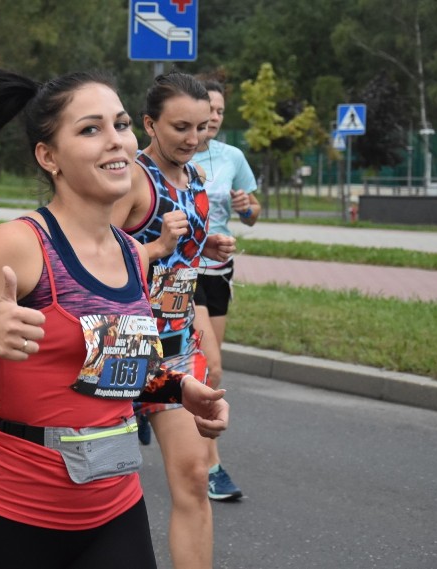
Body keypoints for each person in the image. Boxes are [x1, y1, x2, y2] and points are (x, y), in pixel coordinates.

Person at [0, 64, 229, 569]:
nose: (116, 141)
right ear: (48, 157)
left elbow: (109, 370)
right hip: (13, 518)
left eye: (120, 124)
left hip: (115, 511)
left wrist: (179, 389)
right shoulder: (21, 245)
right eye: (90, 129)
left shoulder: (133, 253)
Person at [110, 70, 236, 569]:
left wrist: (206, 247)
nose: (193, 139)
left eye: (202, 127)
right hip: (122, 344)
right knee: (98, 493)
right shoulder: (131, 180)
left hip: (178, 347)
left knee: (192, 481)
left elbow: (181, 258)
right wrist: (158, 246)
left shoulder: (197, 177)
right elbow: (91, 262)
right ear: (149, 123)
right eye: (181, 127)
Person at [191, 78, 260, 502]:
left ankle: (147, 401)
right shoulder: (168, 154)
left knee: (206, 362)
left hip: (220, 271)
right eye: (207, 110)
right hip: (183, 271)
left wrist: (246, 209)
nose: (214, 117)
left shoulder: (232, 157)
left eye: (219, 111)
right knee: (211, 369)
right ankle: (211, 467)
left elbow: (252, 212)